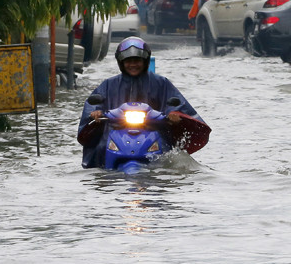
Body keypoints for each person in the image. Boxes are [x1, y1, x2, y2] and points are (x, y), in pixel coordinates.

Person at [77, 37, 207, 169]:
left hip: (154, 132)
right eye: (128, 61)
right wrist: (96, 112)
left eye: (137, 61)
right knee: (100, 149)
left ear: (145, 61)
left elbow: (175, 103)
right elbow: (94, 102)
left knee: (168, 155)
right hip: (114, 133)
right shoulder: (109, 84)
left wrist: (173, 114)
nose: (133, 64)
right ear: (121, 62)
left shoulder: (161, 83)